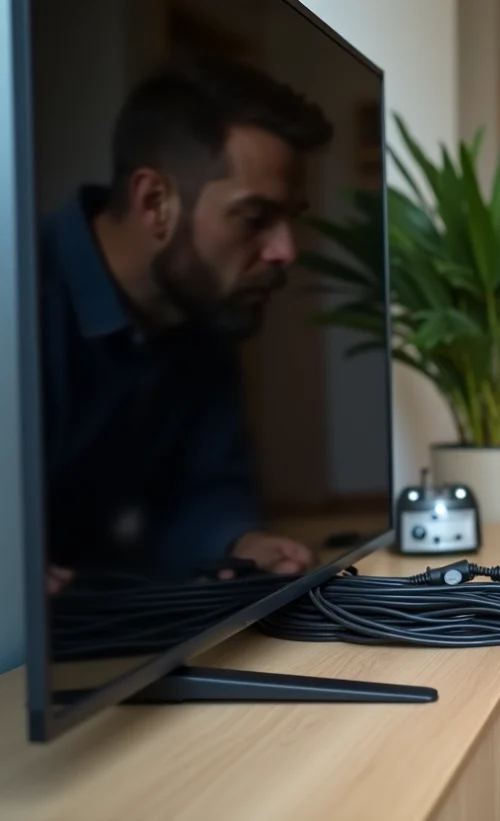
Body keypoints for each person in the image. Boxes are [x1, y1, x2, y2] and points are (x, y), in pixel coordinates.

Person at [39, 53, 333, 588]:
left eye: (290, 220)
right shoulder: (24, 295)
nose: (285, 250)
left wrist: (241, 543)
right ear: (155, 202)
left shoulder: (200, 313)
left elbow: (206, 486)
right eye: (254, 218)